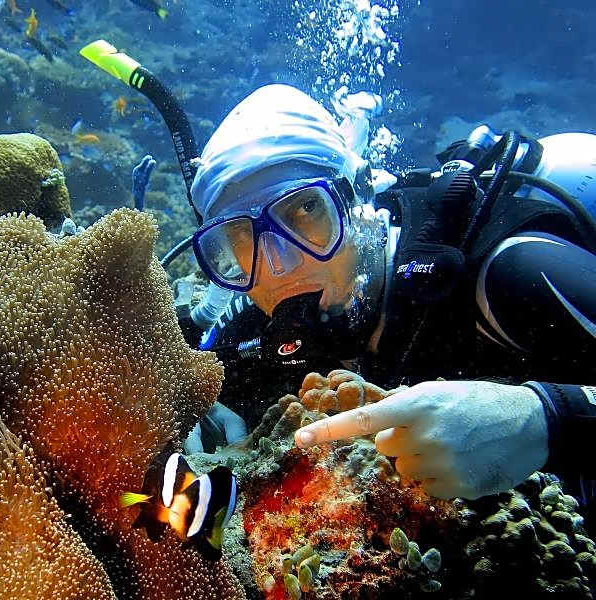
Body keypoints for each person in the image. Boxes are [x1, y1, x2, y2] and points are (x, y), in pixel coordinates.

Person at [180, 83, 596, 511]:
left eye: (305, 210)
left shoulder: (510, 274)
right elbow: (191, 364)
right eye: (239, 236)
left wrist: (545, 418)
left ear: (357, 198)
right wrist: (195, 402)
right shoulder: (256, 318)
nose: (279, 266)